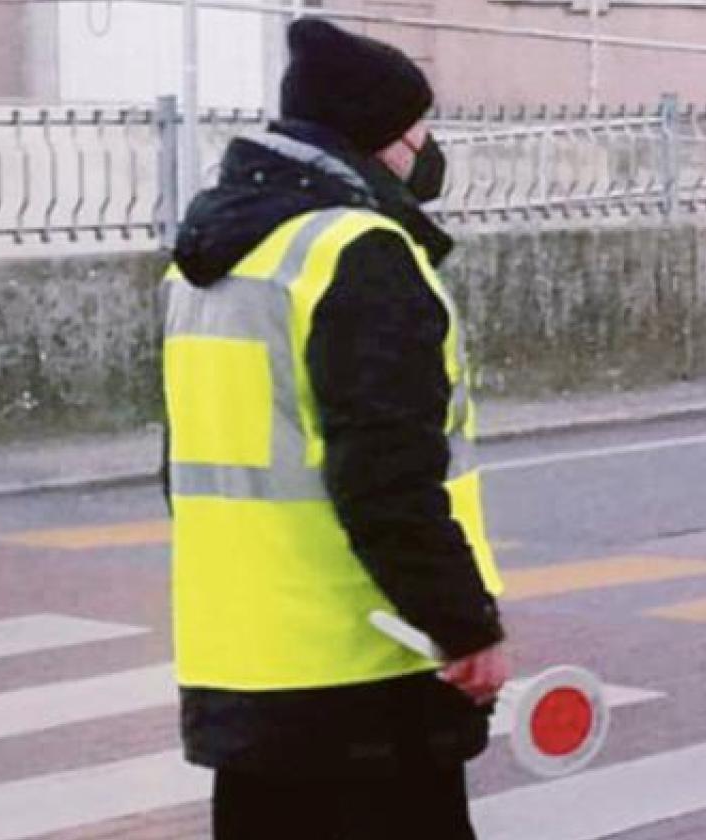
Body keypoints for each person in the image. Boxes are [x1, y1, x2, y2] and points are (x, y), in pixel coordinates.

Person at [161, 18, 509, 840]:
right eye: (418, 128)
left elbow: (185, 469)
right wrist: (464, 626)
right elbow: (388, 477)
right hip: (367, 671)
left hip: (244, 666)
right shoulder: (359, 253)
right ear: (377, 138)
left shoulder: (211, 255)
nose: (428, 147)